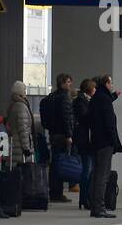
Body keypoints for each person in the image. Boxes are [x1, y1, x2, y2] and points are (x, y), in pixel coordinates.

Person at [87, 74, 122, 219]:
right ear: (106, 84)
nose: (112, 85)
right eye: (111, 82)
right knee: (103, 175)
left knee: (96, 174)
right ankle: (100, 207)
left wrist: (113, 96)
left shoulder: (96, 97)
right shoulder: (104, 99)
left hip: (96, 141)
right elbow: (109, 122)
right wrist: (114, 141)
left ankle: (94, 205)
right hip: (105, 142)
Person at [41, 73, 76, 202]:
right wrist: (69, 135)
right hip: (62, 134)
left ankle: (54, 191)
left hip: (53, 133)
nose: (70, 84)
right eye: (68, 82)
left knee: (55, 163)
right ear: (62, 83)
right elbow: (66, 117)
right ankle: (58, 193)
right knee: (60, 164)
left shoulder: (51, 97)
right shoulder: (64, 98)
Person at [73, 78, 96, 211]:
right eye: (94, 88)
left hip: (85, 139)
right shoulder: (82, 101)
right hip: (85, 140)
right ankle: (85, 198)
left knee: (88, 169)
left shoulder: (84, 100)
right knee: (87, 170)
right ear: (89, 89)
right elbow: (85, 117)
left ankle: (85, 198)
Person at [5, 81, 35, 171]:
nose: (26, 92)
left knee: (15, 176)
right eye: (24, 90)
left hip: (14, 146)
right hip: (20, 149)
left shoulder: (13, 105)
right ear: (20, 92)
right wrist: (26, 148)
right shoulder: (21, 106)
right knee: (23, 176)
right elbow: (23, 129)